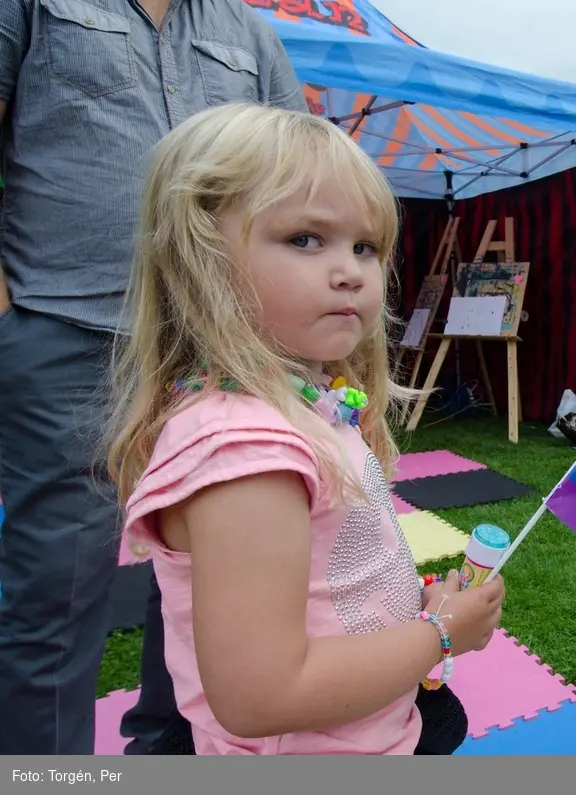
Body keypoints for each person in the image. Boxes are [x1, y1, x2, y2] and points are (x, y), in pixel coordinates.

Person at [107, 103, 505, 755]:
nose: (350, 269)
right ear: (200, 257)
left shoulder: (307, 403)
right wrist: (437, 636)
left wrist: (418, 608)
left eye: (365, 245)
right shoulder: (245, 451)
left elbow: (327, 574)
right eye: (305, 239)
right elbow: (259, 695)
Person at [0, 0, 309, 755]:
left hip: (222, 356)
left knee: (224, 586)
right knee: (56, 593)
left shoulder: (251, 35)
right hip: (72, 331)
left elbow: (305, 177)